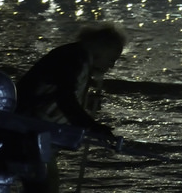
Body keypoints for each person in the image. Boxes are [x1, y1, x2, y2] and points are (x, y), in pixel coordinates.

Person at [17, 24, 127, 191]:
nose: (111, 66)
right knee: (45, 183)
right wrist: (92, 126)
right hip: (29, 130)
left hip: (32, 131)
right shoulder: (75, 59)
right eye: (112, 59)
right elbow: (65, 99)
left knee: (42, 181)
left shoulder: (75, 56)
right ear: (102, 49)